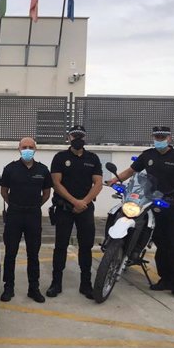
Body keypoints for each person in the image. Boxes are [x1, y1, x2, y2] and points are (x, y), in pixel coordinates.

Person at [108, 126, 174, 300]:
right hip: (150, 205)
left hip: (171, 207)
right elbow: (131, 171)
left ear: (169, 138)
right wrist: (115, 180)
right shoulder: (147, 155)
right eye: (157, 136)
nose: (159, 139)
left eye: (162, 136)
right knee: (160, 246)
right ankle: (164, 279)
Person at [46, 125, 103, 300]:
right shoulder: (60, 157)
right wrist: (74, 202)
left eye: (80, 135)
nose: (77, 138)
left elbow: (98, 183)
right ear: (68, 137)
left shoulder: (92, 158)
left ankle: (86, 284)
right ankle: (56, 283)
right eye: (74, 135)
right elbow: (56, 183)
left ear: (85, 138)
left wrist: (83, 202)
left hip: (85, 209)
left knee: (86, 247)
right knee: (60, 246)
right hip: (65, 208)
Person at [0, 137, 52, 303]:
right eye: (24, 147)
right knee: (10, 253)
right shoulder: (10, 169)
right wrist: (14, 205)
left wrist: (34, 205)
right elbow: (4, 191)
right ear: (19, 149)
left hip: (33, 215)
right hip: (14, 214)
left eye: (30, 147)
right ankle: (8, 287)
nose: (27, 149)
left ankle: (33, 288)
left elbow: (46, 193)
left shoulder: (43, 170)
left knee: (33, 253)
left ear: (36, 149)